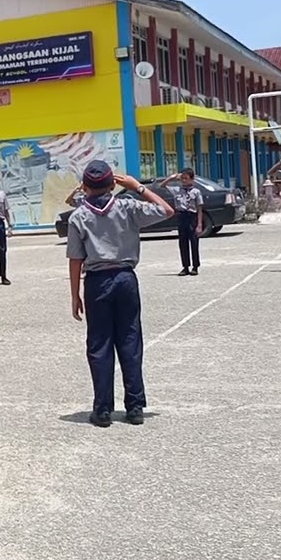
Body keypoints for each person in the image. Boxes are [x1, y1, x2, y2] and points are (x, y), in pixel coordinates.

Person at [66, 161, 174, 428]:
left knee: (99, 345)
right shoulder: (127, 206)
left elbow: (75, 259)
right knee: (130, 340)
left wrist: (74, 295)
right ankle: (135, 407)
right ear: (113, 184)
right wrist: (137, 186)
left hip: (97, 281)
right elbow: (166, 209)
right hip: (125, 278)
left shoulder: (78, 216)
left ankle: (102, 409)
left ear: (85, 187)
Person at [164, 168, 204, 276]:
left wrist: (199, 224)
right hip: (181, 217)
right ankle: (185, 267)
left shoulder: (196, 192)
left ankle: (195, 266)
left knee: (194, 242)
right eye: (182, 179)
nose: (184, 181)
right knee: (183, 242)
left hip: (192, 217)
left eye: (186, 178)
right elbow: (162, 186)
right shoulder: (177, 190)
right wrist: (171, 178)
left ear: (192, 179)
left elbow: (199, 208)